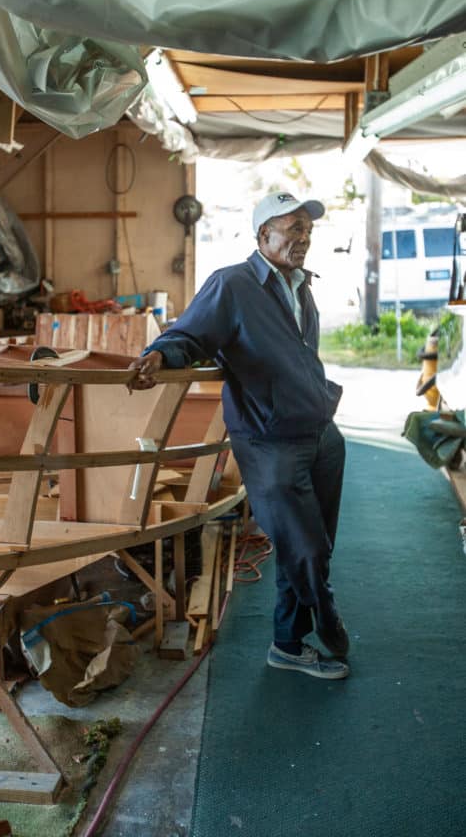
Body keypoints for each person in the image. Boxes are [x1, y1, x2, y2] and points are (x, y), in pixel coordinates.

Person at [129, 191, 349, 680]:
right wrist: (159, 356)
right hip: (271, 440)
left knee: (313, 546)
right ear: (262, 235)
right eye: (292, 228)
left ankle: (288, 644)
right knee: (306, 548)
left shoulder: (300, 286)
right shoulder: (232, 283)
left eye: (307, 230)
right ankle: (328, 619)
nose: (303, 238)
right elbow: (189, 334)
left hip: (320, 433)